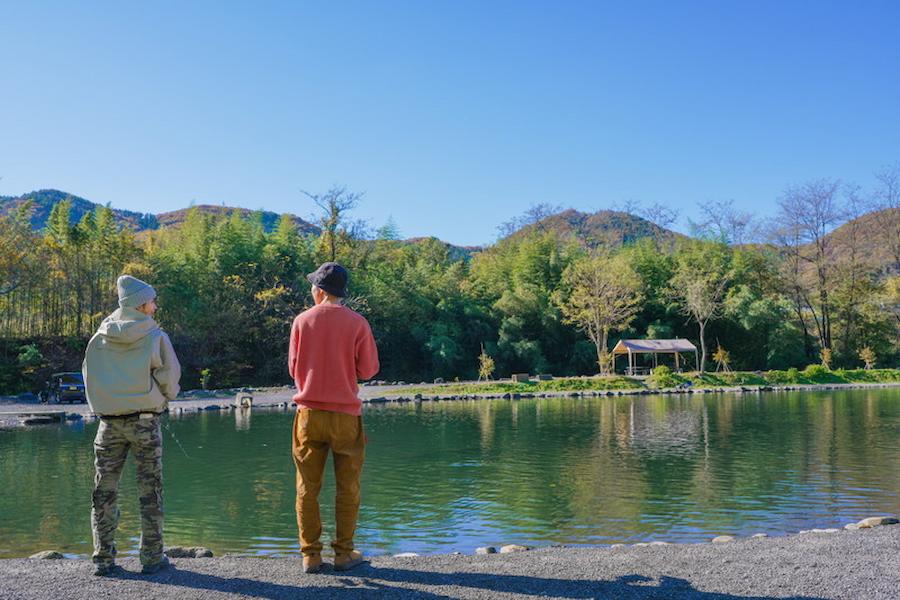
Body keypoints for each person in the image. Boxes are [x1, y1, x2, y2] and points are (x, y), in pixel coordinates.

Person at [82, 275, 181, 576]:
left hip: (108, 425)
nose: (155, 306)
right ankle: (151, 558)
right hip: (145, 423)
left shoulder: (99, 338)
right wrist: (162, 399)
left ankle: (103, 558)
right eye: (152, 301)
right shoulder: (155, 337)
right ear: (141, 304)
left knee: (104, 491)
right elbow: (170, 379)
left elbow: (89, 378)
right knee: (150, 490)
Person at [289, 262, 379, 573]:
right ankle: (344, 553)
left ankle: (310, 555)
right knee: (348, 486)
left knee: (307, 486)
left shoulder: (301, 321)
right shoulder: (358, 323)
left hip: (308, 415)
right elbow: (368, 370)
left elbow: (293, 369)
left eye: (313, 286)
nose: (312, 290)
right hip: (345, 416)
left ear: (320, 290)